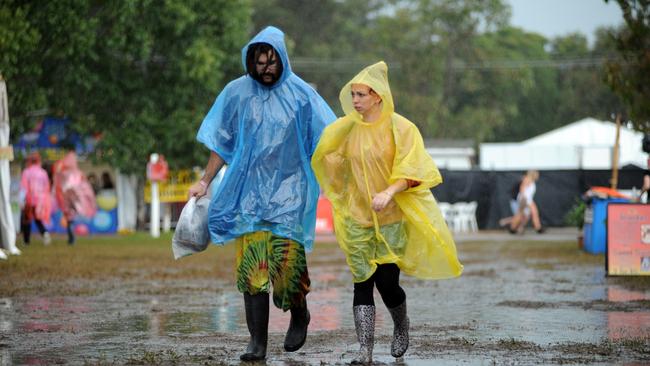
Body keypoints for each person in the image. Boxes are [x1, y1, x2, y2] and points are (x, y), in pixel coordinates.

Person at [187, 26, 335, 361]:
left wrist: (339, 176)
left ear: (282, 59)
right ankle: (257, 343)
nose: (265, 69)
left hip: (290, 193)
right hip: (248, 195)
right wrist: (204, 181)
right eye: (259, 62)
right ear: (250, 62)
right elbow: (221, 143)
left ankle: (300, 314)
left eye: (271, 62)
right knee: (252, 270)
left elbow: (326, 140)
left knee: (287, 270)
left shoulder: (302, 95)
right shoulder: (237, 93)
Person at [311, 61, 463, 364]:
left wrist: (389, 192)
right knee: (361, 280)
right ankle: (364, 351)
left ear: (378, 96)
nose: (355, 100)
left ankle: (401, 325)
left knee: (387, 283)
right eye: (353, 94)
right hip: (357, 218)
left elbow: (414, 170)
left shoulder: (402, 128)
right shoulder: (347, 128)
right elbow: (329, 156)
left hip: (392, 217)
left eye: (361, 95)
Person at [52, 151, 97, 245]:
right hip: (76, 199)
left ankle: (71, 238)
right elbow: (84, 186)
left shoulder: (63, 173)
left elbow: (59, 185)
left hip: (67, 200)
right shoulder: (78, 173)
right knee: (70, 218)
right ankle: (71, 238)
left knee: (69, 218)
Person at [19, 152, 52, 245]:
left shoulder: (27, 172)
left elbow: (23, 188)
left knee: (26, 220)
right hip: (40, 201)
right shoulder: (43, 173)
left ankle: (26, 241)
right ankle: (45, 233)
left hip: (29, 200)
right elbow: (47, 188)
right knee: (38, 219)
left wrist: (21, 200)